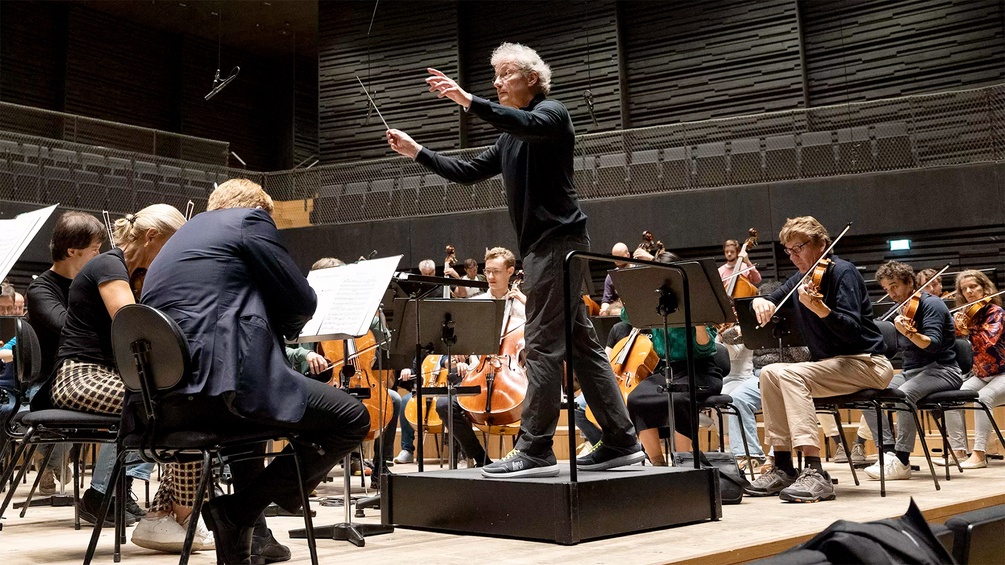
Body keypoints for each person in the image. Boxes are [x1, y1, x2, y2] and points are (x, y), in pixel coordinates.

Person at [387, 42, 643, 478]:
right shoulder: (510, 139)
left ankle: (536, 449)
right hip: (542, 247)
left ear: (531, 78)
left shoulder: (552, 115)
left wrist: (467, 101)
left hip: (558, 242)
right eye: (494, 75)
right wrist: (417, 152)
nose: (497, 82)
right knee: (582, 348)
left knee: (542, 344)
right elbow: (467, 172)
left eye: (505, 74)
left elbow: (522, 121)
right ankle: (622, 442)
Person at [141, 179, 370, 564]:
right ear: (258, 211)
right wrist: (287, 329)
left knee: (250, 425)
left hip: (163, 405)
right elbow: (302, 300)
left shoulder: (180, 240)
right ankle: (239, 511)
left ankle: (251, 538)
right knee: (350, 417)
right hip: (218, 391)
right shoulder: (249, 220)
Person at [46, 204, 205, 551]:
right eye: (173, 246)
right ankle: (181, 518)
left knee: (181, 411)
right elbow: (130, 321)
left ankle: (164, 517)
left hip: (105, 376)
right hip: (78, 377)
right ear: (151, 237)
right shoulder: (108, 263)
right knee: (174, 410)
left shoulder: (132, 273)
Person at [746, 216, 893, 502]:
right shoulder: (802, 278)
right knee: (769, 373)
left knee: (787, 373)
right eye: (788, 250)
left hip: (867, 362)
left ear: (821, 244)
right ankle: (784, 465)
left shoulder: (843, 273)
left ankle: (815, 471)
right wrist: (760, 301)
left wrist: (823, 310)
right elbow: (773, 298)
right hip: (833, 367)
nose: (793, 256)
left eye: (798, 247)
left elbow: (852, 331)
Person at [25, 211, 106, 496]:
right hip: (49, 380)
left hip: (87, 372)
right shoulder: (40, 289)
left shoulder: (93, 283)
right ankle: (51, 458)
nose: (100, 256)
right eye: (95, 250)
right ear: (72, 251)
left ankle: (107, 487)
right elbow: (65, 327)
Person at [861, 261, 961, 481]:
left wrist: (910, 333)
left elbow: (932, 344)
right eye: (887, 289)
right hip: (912, 372)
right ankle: (887, 452)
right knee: (867, 394)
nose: (891, 293)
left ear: (909, 282)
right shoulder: (902, 307)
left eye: (894, 286)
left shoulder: (932, 304)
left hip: (943, 370)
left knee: (903, 396)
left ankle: (902, 460)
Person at [435, 246, 525, 467]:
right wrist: (462, 359)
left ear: (510, 271)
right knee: (445, 404)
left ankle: (518, 456)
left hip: (513, 375)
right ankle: (480, 458)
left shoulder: (523, 308)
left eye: (496, 272)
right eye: (489, 271)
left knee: (538, 401)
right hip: (479, 374)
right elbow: (465, 346)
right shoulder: (477, 304)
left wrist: (527, 303)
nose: (491, 277)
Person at [944, 270, 1005, 469]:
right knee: (951, 398)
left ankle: (979, 454)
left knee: (983, 397)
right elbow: (948, 336)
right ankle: (958, 451)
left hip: (1003, 373)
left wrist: (968, 330)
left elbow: (988, 342)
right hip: (982, 374)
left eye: (973, 287)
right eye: (964, 289)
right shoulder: (970, 316)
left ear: (984, 288)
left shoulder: (996, 312)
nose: (969, 292)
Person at [599, 243, 630, 317]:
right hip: (617, 309)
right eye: (615, 258)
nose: (617, 261)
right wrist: (604, 309)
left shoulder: (637, 271)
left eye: (620, 257)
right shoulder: (611, 276)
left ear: (628, 255)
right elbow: (606, 300)